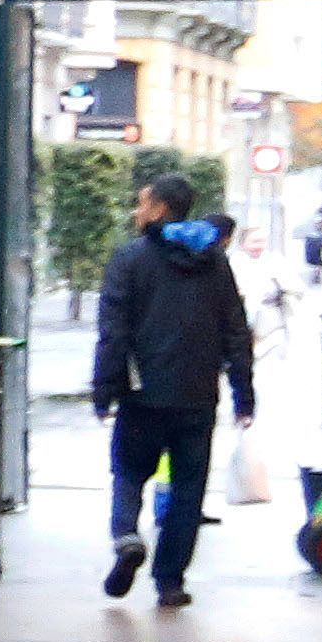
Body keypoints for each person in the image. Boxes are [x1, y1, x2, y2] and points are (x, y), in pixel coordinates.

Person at [90, 166, 256, 607]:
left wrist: (105, 389)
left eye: (142, 202)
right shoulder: (214, 262)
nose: (136, 210)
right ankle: (171, 582)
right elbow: (235, 330)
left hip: (142, 394)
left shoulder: (130, 259)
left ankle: (127, 536)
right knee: (187, 488)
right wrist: (244, 394)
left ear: (159, 209)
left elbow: (113, 330)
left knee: (128, 472)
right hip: (198, 394)